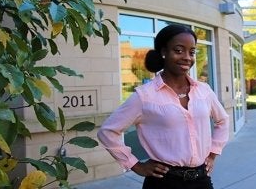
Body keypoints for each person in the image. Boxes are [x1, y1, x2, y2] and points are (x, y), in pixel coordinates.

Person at [97, 24, 230, 189]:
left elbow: (223, 120)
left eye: (192, 51)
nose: (187, 57)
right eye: (179, 50)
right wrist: (135, 165)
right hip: (163, 182)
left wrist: (213, 153)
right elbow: (108, 131)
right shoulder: (144, 96)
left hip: (201, 180)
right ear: (163, 52)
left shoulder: (204, 91)